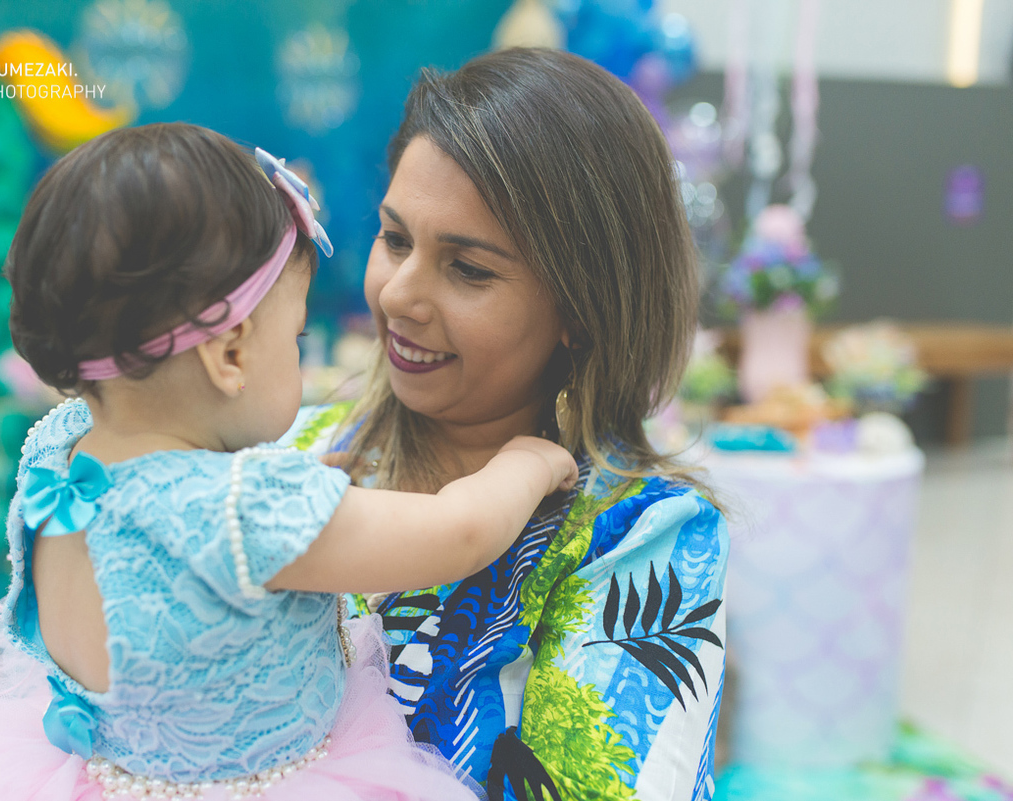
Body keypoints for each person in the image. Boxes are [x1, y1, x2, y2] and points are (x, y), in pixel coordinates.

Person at [0, 123, 580, 801]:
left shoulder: (56, 449)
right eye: (296, 343)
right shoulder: (242, 509)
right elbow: (457, 531)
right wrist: (530, 461)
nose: (300, 362)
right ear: (232, 353)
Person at [284, 48, 729, 801]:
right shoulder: (297, 448)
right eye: (395, 239)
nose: (399, 294)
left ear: (582, 311)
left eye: (469, 270)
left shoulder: (640, 530)